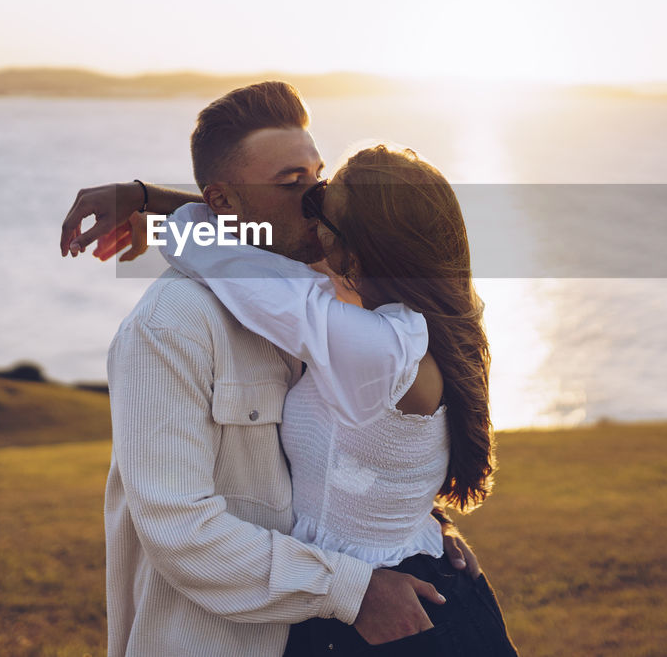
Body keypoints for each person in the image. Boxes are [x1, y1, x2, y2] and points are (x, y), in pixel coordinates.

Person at [60, 82, 481, 657]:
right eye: (294, 184)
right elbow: (180, 530)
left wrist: (413, 533)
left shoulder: (332, 302)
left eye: (319, 178)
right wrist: (360, 582)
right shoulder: (172, 326)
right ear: (224, 202)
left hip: (354, 625)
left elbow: (363, 453)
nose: (317, 201)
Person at [151, 143, 518, 656]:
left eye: (321, 208)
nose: (308, 210)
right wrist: (149, 197)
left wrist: (164, 206)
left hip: (384, 617)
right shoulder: (439, 313)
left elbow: (212, 253)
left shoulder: (374, 348)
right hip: (421, 584)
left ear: (354, 251)